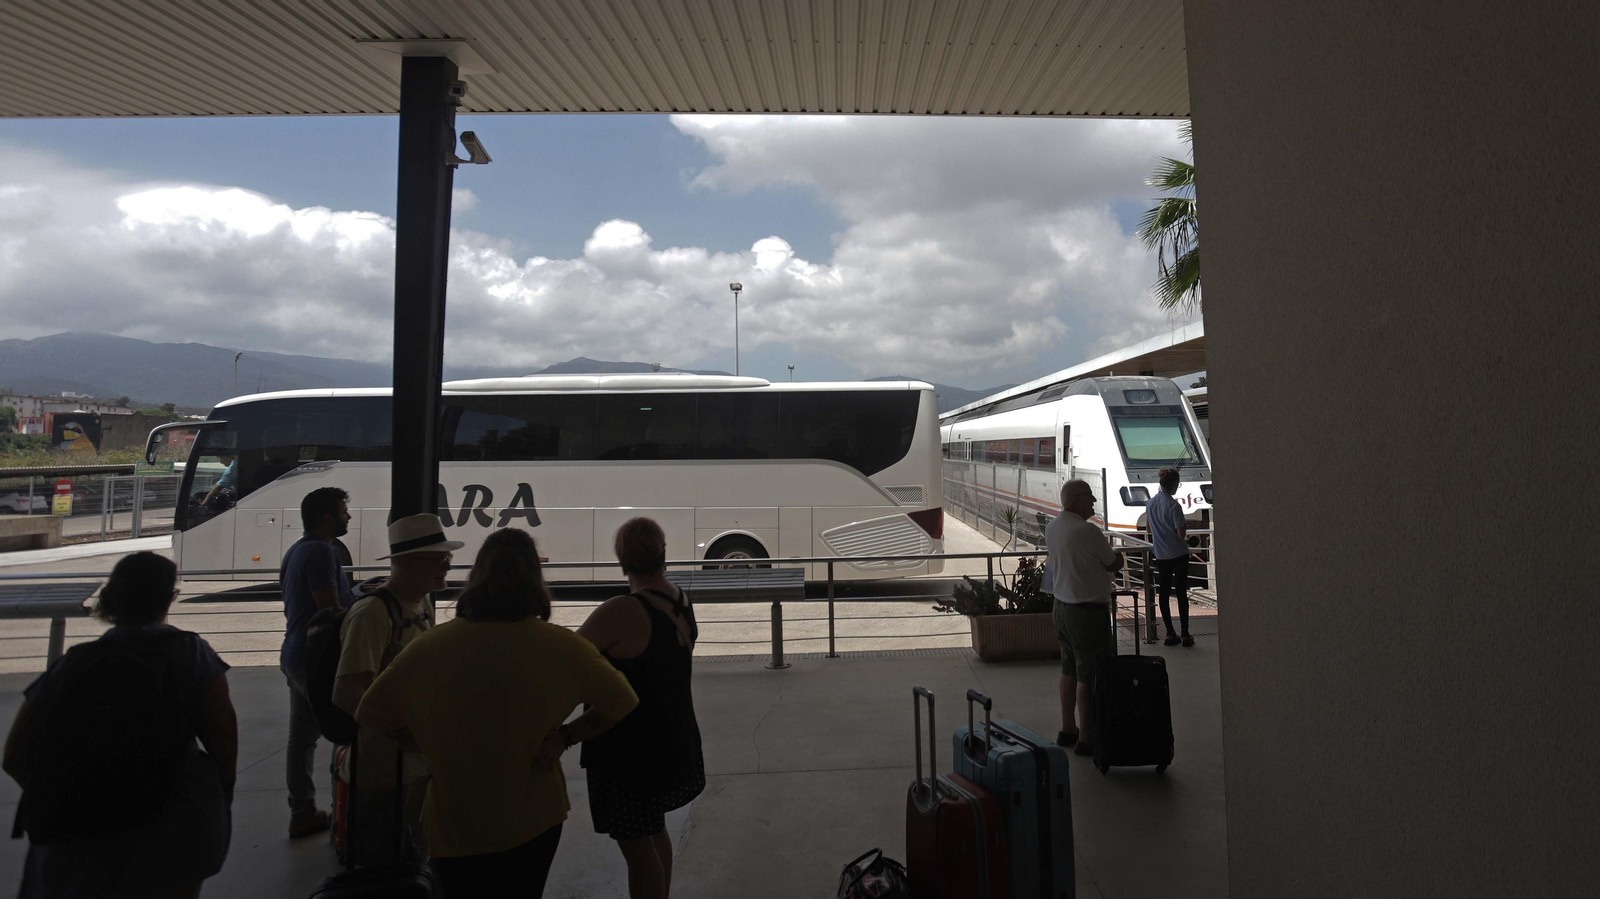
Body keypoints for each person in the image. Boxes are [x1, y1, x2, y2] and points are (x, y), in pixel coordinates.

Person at [357, 528, 638, 897]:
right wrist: (566, 735)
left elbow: (371, 712)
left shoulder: (429, 648)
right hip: (535, 817)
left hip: (454, 822)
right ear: (535, 581)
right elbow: (622, 701)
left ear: (477, 578)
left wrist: (426, 740)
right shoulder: (563, 647)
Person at [3, 552, 238, 899]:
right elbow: (223, 741)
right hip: (168, 825)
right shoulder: (191, 653)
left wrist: (76, 793)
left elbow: (14, 755)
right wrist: (217, 798)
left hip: (77, 838)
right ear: (169, 598)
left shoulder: (74, 662)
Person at [578, 518, 707, 899]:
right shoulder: (679, 600)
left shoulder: (620, 611)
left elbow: (567, 660)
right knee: (654, 831)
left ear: (622, 563)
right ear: (663, 555)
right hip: (671, 738)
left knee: (636, 848)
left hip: (628, 754)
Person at [331, 512, 455, 865]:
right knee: (384, 866)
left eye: (446, 558)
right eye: (436, 559)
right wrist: (405, 733)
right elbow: (347, 692)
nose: (446, 566)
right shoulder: (372, 613)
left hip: (419, 767)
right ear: (404, 563)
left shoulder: (423, 603)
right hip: (382, 772)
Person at [278, 486, 357, 838]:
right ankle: (339, 811)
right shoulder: (322, 553)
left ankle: (302, 812)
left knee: (302, 739)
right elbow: (330, 611)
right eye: (343, 511)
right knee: (345, 728)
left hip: (294, 653)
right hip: (316, 660)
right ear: (328, 518)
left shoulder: (296, 550)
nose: (348, 517)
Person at [1045, 479, 1123, 756]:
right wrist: (1119, 558)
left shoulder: (1052, 527)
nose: (1093, 502)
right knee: (1088, 675)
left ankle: (1068, 728)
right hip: (1087, 612)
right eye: (1089, 497)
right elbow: (1113, 562)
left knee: (1068, 669)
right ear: (1076, 500)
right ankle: (1087, 738)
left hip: (1062, 608)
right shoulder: (1088, 531)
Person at [1146, 468, 1194, 647]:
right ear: (1173, 484)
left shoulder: (1150, 504)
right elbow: (1181, 534)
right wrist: (1184, 527)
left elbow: (1149, 529)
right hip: (1179, 554)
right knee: (1181, 593)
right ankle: (1186, 633)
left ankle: (1169, 633)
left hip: (1161, 554)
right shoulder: (1174, 506)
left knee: (1163, 593)